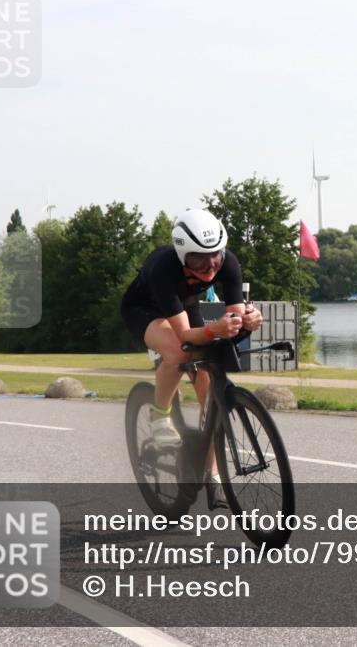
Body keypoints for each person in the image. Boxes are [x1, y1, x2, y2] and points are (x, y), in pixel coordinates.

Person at [120, 208, 262, 504]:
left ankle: (211, 473)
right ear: (183, 253)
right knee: (178, 351)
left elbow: (233, 319)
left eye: (215, 256)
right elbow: (185, 335)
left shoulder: (228, 263)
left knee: (209, 390)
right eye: (198, 258)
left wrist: (247, 320)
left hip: (184, 305)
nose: (210, 266)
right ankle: (159, 416)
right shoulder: (163, 267)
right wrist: (216, 329)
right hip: (143, 309)